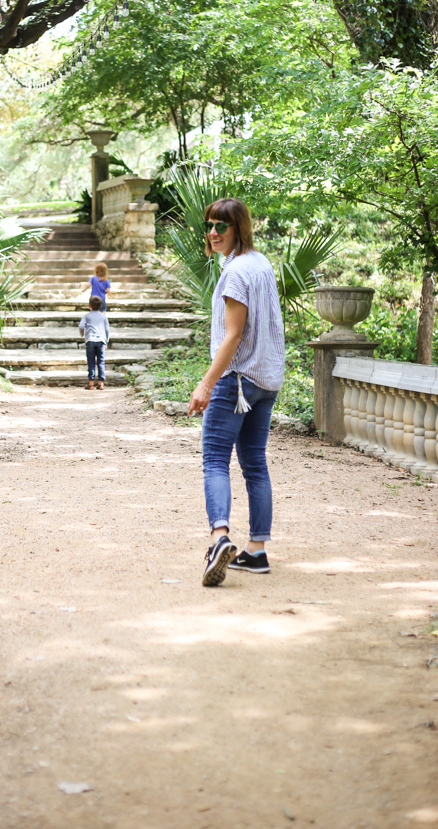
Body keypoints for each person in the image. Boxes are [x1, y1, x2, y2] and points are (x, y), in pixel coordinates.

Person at [187, 197, 285, 588]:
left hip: (238, 382)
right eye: (209, 225)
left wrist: (206, 384)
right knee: (255, 465)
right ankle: (256, 551)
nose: (212, 233)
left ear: (238, 228)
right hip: (266, 380)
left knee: (214, 459)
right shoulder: (261, 264)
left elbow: (234, 334)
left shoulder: (235, 274)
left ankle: (218, 539)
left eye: (221, 227)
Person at [79, 295, 110, 390]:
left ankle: (91, 383)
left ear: (89, 306)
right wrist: (106, 341)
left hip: (90, 341)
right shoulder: (103, 317)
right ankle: (101, 383)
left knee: (91, 362)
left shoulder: (86, 316)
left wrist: (82, 334)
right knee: (101, 361)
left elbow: (81, 326)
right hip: (101, 341)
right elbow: (107, 330)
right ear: (101, 306)